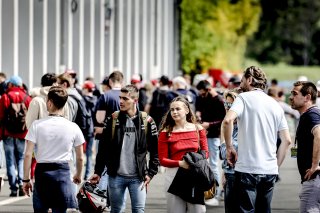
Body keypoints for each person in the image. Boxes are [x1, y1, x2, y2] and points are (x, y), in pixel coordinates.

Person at [222, 66, 292, 212]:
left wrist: (229, 148)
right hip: (270, 170)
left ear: (249, 80)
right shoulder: (275, 104)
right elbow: (287, 140)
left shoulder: (243, 98)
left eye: (242, 81)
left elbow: (227, 121)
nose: (240, 85)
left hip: (248, 168)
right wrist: (276, 165)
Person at [90, 84, 159, 213]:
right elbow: (103, 149)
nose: (121, 101)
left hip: (138, 178)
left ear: (135, 100)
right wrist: (98, 172)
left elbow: (155, 150)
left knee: (138, 210)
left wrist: (151, 173)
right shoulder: (112, 119)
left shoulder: (147, 121)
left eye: (125, 99)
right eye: (120, 98)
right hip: (116, 176)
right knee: (116, 210)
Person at [23, 86, 85, 213]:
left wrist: (26, 179)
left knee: (40, 209)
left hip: (42, 173)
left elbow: (28, 155)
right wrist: (78, 174)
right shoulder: (73, 127)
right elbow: (80, 157)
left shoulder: (36, 125)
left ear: (49, 103)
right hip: (63, 172)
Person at [158, 96, 209, 213]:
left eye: (177, 109)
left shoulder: (198, 129)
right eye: (172, 110)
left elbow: (206, 153)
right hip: (174, 175)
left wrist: (193, 161)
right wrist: (181, 163)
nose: (174, 112)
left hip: (194, 174)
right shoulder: (165, 132)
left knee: (198, 210)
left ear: (186, 110)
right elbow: (162, 159)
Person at [289, 81, 320, 212]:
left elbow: (319, 134)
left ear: (307, 97)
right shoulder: (307, 115)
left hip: (314, 179)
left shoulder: (311, 114)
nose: (291, 97)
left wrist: (314, 165)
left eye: (295, 94)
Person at [0, 75, 32, 197]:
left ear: (11, 85)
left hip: (8, 133)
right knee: (20, 159)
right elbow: (30, 118)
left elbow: (1, 117)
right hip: (22, 134)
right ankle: (20, 183)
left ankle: (13, 188)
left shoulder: (5, 97)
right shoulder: (27, 97)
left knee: (9, 160)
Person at [196, 79, 226, 206]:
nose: (201, 96)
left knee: (213, 165)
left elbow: (224, 120)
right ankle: (207, 191)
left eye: (202, 93)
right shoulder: (203, 98)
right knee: (203, 164)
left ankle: (216, 192)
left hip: (214, 135)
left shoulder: (219, 100)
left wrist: (209, 124)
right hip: (203, 133)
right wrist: (198, 114)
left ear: (208, 90)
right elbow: (199, 108)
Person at [219, 89, 241, 213]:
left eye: (231, 105)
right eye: (225, 104)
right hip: (230, 173)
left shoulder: (238, 126)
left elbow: (225, 153)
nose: (227, 108)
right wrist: (224, 172)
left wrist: (223, 132)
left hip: (237, 175)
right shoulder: (230, 124)